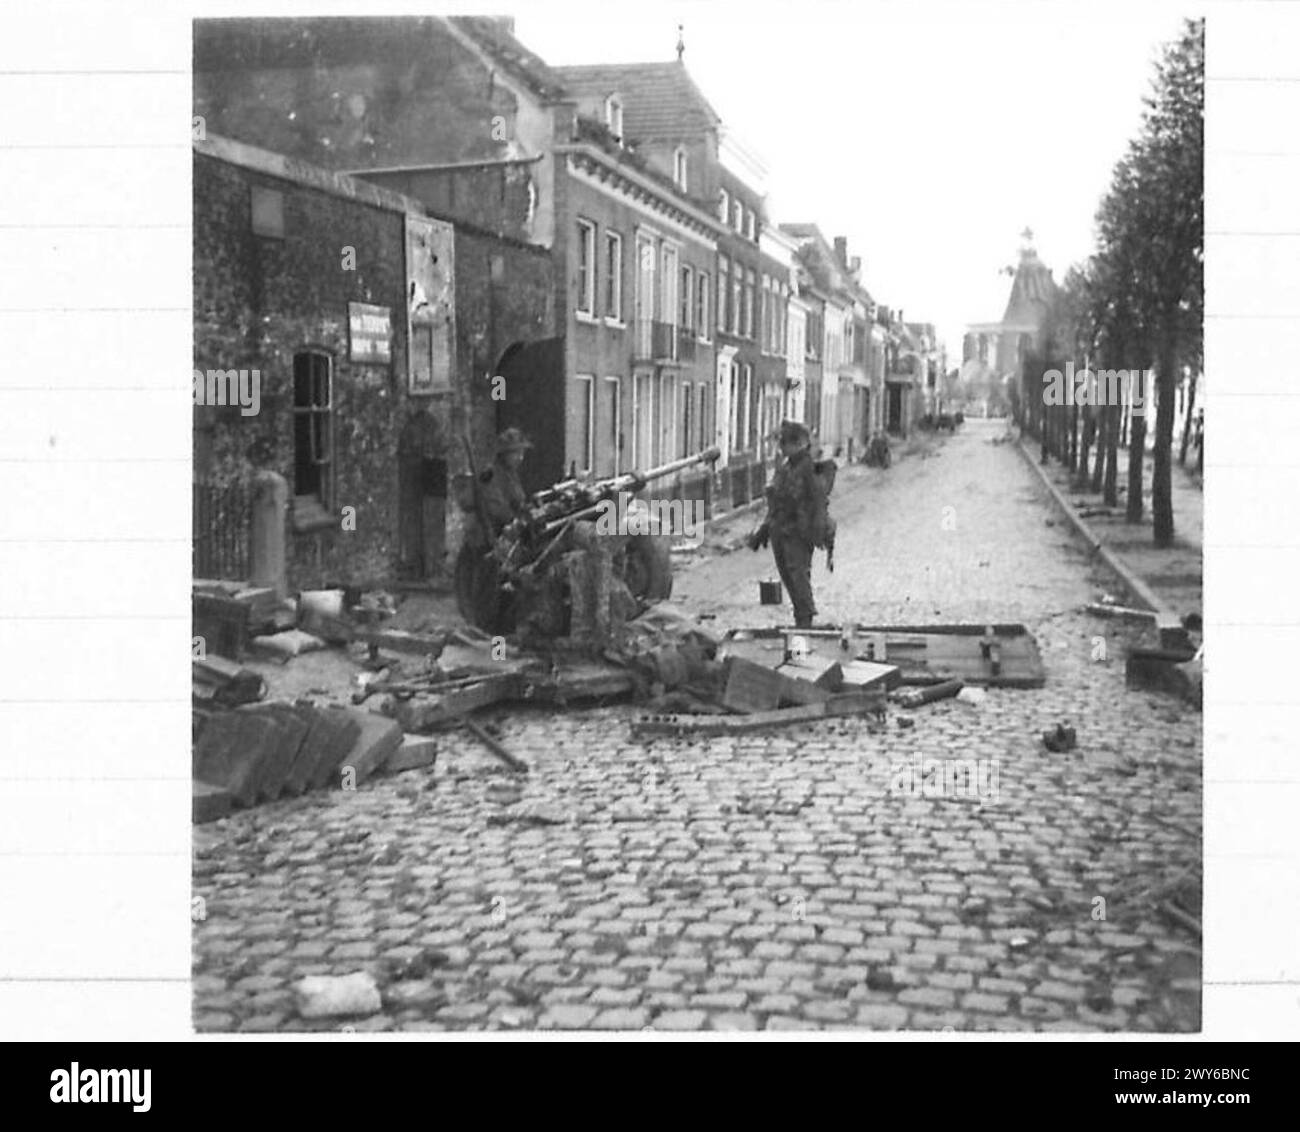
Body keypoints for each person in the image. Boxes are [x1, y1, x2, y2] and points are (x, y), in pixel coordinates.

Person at [748, 419, 827, 628]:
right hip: (780, 531)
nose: (782, 449)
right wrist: (764, 530)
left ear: (798, 444)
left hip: (798, 533)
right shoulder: (787, 467)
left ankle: (805, 620)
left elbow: (818, 502)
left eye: (785, 444)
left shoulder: (809, 468)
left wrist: (814, 532)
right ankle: (800, 616)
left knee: (798, 575)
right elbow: (776, 503)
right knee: (788, 577)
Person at [472, 427, 532, 543]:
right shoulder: (490, 475)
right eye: (515, 453)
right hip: (493, 537)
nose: (520, 458)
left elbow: (520, 501)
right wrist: (517, 522)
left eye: (522, 453)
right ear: (504, 454)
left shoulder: (511, 474)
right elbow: (496, 510)